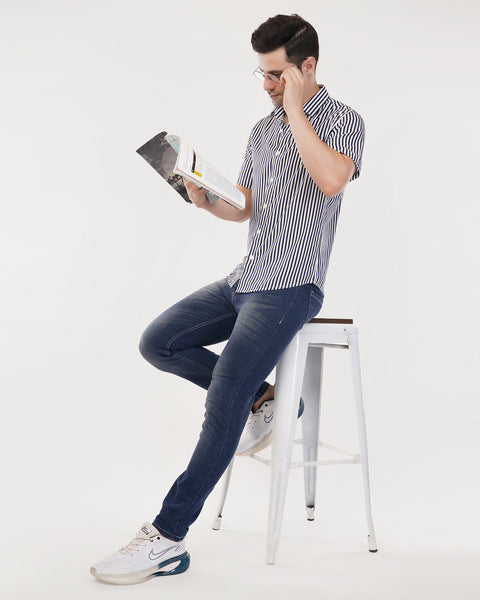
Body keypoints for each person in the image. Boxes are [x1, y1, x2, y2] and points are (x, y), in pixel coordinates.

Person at [90, 13, 365, 585]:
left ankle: (166, 538)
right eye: (262, 76)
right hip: (245, 278)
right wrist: (202, 195)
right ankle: (267, 398)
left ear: (307, 66)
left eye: (277, 75)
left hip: (292, 284)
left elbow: (333, 179)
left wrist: (294, 112)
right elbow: (244, 205)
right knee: (158, 342)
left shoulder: (341, 120)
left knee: (222, 403)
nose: (267, 85)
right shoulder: (261, 130)